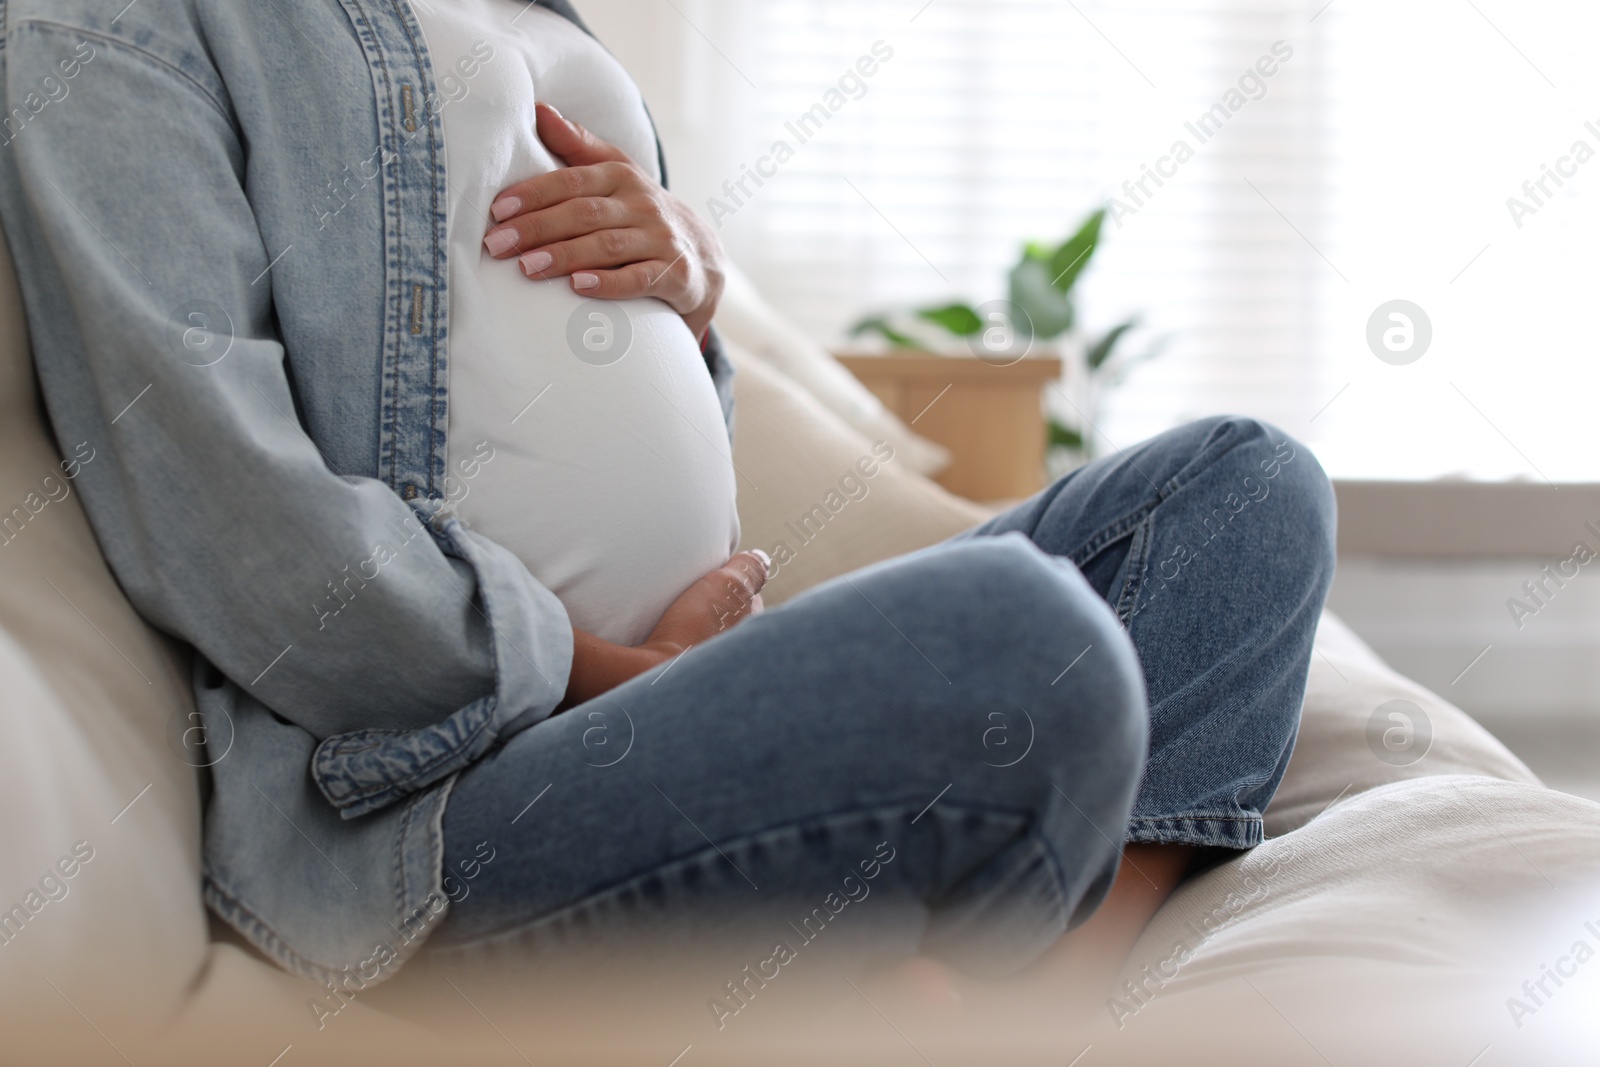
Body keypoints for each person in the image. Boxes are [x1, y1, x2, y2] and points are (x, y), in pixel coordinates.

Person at [0, 0, 1334, 1029]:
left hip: (689, 699)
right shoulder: (120, 23)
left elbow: (590, 395)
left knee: (1244, 493)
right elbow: (222, 514)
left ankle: (1038, 1018)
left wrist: (692, 299)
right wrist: (603, 672)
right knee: (1013, 646)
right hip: (441, 796)